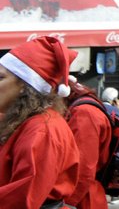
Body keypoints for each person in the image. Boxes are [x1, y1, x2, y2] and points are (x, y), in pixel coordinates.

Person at [0, 35, 80, 208]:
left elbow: (22, 196)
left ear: (24, 86)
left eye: (0, 77)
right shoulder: (23, 120)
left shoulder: (42, 130)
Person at [65, 79, 114, 209]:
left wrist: (67, 204)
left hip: (84, 199)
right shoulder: (82, 108)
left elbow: (83, 168)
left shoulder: (84, 114)